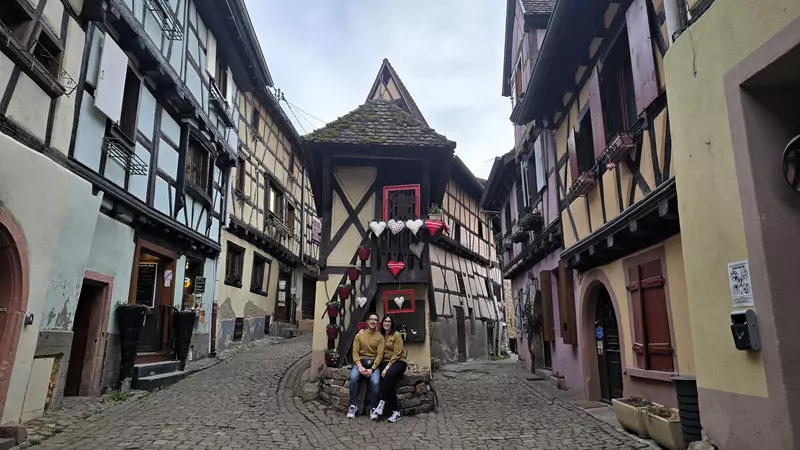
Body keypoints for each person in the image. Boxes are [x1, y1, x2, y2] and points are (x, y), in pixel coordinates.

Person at [347, 313, 384, 419]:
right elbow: (355, 352)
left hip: (373, 364)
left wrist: (372, 369)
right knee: (353, 378)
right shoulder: (360, 335)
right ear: (367, 322)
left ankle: (374, 408)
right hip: (360, 362)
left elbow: (379, 355)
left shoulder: (380, 337)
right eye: (371, 319)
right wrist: (360, 367)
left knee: (375, 382)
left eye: (375, 320)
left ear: (377, 323)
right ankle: (353, 406)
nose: (373, 321)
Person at [372, 315, 407, 423]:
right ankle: (395, 412)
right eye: (385, 321)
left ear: (391, 324)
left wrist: (386, 368)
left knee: (389, 375)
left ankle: (381, 403)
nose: (386, 323)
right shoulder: (381, 335)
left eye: (389, 321)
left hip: (398, 362)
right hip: (385, 362)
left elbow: (397, 354)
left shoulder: (396, 335)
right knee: (389, 384)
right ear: (382, 323)